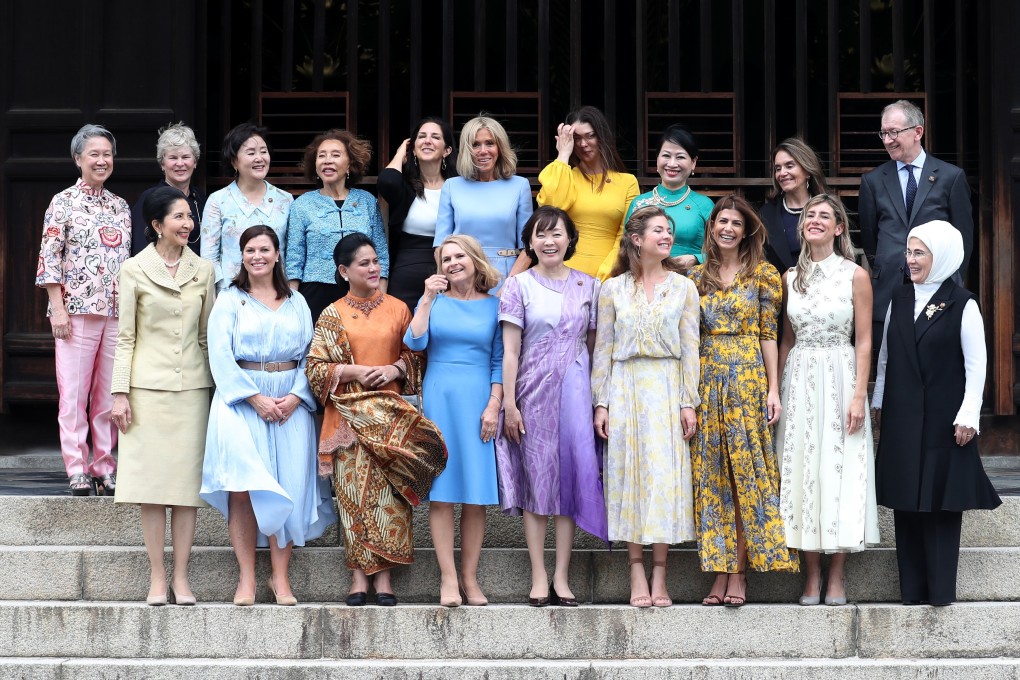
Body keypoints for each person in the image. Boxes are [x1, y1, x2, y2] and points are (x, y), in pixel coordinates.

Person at [305, 233, 446, 608]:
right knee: (353, 497)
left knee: (390, 498)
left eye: (375, 262)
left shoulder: (399, 309)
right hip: (348, 419)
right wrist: (353, 371)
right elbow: (315, 369)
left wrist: (393, 368)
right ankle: (358, 577)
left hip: (391, 420)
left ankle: (384, 578)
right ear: (344, 271)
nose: (372, 268)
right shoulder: (332, 314)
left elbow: (417, 356)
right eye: (364, 263)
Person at [201, 225, 337, 607]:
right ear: (241, 256)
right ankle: (246, 578)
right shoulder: (230, 299)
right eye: (250, 250)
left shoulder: (297, 301)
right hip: (241, 402)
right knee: (242, 487)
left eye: (264, 249)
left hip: (290, 402)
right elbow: (219, 354)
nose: (257, 256)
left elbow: (312, 354)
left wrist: (296, 397)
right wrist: (254, 398)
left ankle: (280, 577)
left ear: (277, 255)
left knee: (287, 484)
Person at [872, 220, 1001, 606]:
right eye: (908, 252)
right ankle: (911, 593)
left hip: (945, 420)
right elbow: (885, 358)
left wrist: (969, 415)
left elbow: (977, 365)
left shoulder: (962, 303)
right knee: (905, 501)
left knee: (940, 504)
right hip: (902, 415)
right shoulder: (899, 297)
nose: (910, 260)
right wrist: (879, 402)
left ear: (941, 256)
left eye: (919, 253)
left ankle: (940, 593)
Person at [689, 195, 799, 608]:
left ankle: (738, 571)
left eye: (736, 223)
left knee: (744, 477)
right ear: (712, 227)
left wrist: (773, 389)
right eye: (722, 221)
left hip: (748, 378)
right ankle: (718, 570)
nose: (728, 228)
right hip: (707, 379)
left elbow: (769, 334)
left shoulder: (764, 275)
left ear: (747, 230)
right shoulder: (696, 277)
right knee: (713, 477)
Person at [495, 206, 608, 607]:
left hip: (575, 390)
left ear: (570, 239)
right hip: (531, 391)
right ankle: (539, 576)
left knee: (570, 478)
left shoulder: (589, 286)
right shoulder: (518, 285)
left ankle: (562, 575)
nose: (549, 241)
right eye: (540, 234)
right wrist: (510, 404)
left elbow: (594, 347)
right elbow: (511, 351)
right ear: (529, 242)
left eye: (557, 233)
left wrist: (597, 401)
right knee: (537, 479)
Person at [110, 186, 216, 606]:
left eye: (190, 216)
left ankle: (182, 578)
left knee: (187, 491)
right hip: (145, 392)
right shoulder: (133, 269)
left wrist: (219, 390)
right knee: (152, 488)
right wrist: (120, 393)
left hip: (192, 391)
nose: (187, 224)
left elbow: (206, 337)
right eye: (179, 217)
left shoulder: (203, 269)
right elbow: (125, 337)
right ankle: (157, 576)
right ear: (157, 224)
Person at [591, 206, 700, 608]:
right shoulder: (612, 289)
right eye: (658, 230)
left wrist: (689, 401)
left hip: (667, 385)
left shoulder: (685, 288)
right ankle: (635, 569)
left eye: (669, 230)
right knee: (629, 476)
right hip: (625, 386)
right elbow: (603, 349)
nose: (667, 236)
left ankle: (660, 573)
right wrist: (601, 402)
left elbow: (691, 348)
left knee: (663, 478)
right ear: (637, 239)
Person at [776, 194, 880, 607]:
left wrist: (859, 394)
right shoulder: (789, 277)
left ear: (839, 228)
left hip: (841, 374)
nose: (815, 220)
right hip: (800, 376)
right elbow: (786, 339)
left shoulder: (855, 274)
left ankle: (836, 574)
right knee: (804, 470)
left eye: (824, 216)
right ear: (802, 227)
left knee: (840, 469)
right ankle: (811, 574)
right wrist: (776, 389)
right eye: (809, 216)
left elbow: (865, 340)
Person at [405, 234, 504, 608]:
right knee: (443, 493)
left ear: (476, 260)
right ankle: (448, 578)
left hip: (479, 398)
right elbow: (415, 341)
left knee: (476, 495)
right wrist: (427, 298)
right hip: (441, 397)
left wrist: (494, 405)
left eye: (459, 256)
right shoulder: (434, 301)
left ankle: (470, 577)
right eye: (445, 259)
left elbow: (499, 360)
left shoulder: (495, 305)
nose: (452, 263)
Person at [36, 124, 132, 496]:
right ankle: (77, 467)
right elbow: (49, 258)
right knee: (74, 395)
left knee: (108, 395)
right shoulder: (63, 201)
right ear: (78, 159)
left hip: (115, 313)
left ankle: (104, 466)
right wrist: (57, 309)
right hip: (76, 311)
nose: (102, 160)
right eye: (94, 154)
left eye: (107, 154)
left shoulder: (120, 206)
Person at [858, 100, 974, 340]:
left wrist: (951, 276)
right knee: (890, 357)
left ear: (917, 132)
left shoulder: (951, 177)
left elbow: (963, 238)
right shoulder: (873, 181)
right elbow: (869, 238)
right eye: (883, 133)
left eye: (894, 132)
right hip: (889, 288)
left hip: (938, 284)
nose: (887, 140)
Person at [286, 129, 388, 323]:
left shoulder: (367, 201)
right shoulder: (302, 204)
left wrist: (381, 299)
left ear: (350, 163)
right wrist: (293, 304)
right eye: (321, 156)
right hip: (316, 293)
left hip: (363, 292)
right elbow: (294, 258)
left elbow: (381, 253)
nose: (327, 161)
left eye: (335, 155)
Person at [536, 106, 639, 280]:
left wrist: (608, 274)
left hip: (610, 276)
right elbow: (550, 212)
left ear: (601, 137)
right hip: (563, 275)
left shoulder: (627, 182)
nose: (583, 144)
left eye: (590, 136)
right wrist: (563, 155)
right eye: (576, 138)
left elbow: (626, 235)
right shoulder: (565, 177)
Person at [434, 116, 533, 286]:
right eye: (475, 145)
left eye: (489, 143)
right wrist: (455, 283)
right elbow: (440, 247)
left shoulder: (520, 185)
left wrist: (509, 286)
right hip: (463, 276)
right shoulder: (451, 186)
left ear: (500, 147)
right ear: (466, 149)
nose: (483, 150)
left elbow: (528, 247)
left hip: (507, 276)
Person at [202, 123, 293, 291]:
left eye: (263, 151)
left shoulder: (285, 200)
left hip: (276, 293)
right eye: (251, 153)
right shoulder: (218, 200)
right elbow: (209, 258)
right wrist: (219, 296)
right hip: (232, 293)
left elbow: (292, 252)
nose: (259, 158)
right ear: (234, 161)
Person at [379, 117, 456, 311]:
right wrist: (400, 153)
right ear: (412, 149)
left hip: (449, 272)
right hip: (406, 272)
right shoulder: (404, 186)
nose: (427, 141)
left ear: (447, 150)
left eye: (435, 137)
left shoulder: (457, 186)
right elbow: (387, 182)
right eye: (421, 137)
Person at [624, 124, 714, 270]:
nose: (672, 163)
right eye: (666, 155)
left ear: (693, 162)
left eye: (680, 157)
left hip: (692, 278)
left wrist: (697, 258)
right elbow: (626, 249)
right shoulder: (639, 203)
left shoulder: (704, 205)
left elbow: (723, 250)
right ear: (657, 159)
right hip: (646, 278)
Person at [131, 122, 205, 256]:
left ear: (195, 162)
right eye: (173, 158)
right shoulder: (150, 198)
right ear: (162, 163)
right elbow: (140, 249)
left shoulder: (200, 198)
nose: (180, 163)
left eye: (186, 157)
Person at [760, 137, 831, 273]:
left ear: (807, 170)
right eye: (778, 168)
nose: (782, 173)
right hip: (780, 285)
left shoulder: (829, 209)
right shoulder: (766, 213)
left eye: (789, 166)